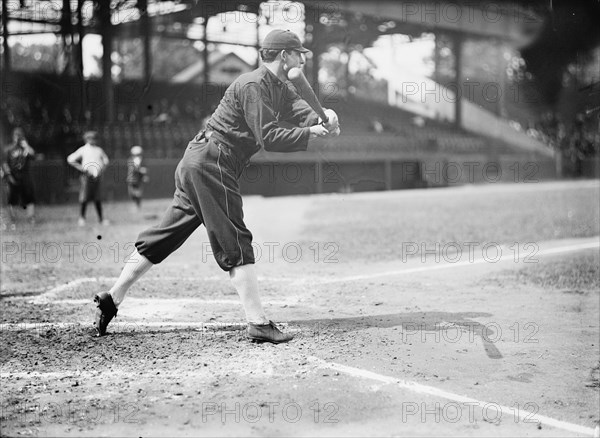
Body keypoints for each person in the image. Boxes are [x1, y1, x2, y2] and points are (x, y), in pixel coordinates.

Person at [93, 29, 340, 343]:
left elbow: (300, 110)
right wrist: (313, 134)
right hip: (214, 162)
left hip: (201, 161)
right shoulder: (253, 84)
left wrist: (324, 118)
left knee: (165, 235)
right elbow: (269, 136)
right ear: (283, 55)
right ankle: (258, 323)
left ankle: (112, 298)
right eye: (298, 52)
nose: (303, 57)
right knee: (235, 239)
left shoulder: (280, 86)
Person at [67, 131, 110, 226]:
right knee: (84, 197)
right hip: (86, 176)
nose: (92, 140)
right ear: (86, 139)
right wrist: (82, 169)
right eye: (90, 138)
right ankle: (82, 218)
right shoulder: (83, 150)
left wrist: (101, 170)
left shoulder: (99, 150)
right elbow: (70, 159)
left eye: (94, 138)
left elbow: (106, 161)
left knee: (97, 197)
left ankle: (101, 219)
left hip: (97, 176)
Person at [1, 127, 36, 227]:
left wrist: (27, 146)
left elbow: (33, 155)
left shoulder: (25, 148)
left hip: (25, 177)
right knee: (12, 199)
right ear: (13, 137)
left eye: (20, 136)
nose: (18, 138)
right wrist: (9, 176)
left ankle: (31, 218)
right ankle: (12, 220)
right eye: (16, 136)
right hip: (13, 177)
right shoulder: (8, 149)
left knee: (29, 197)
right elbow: (5, 164)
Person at [126, 145, 149, 212]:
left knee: (138, 193)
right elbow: (134, 169)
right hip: (131, 179)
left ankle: (137, 206)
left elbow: (144, 170)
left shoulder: (142, 161)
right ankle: (135, 205)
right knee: (131, 194)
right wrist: (140, 170)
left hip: (138, 180)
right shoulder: (130, 160)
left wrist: (144, 176)